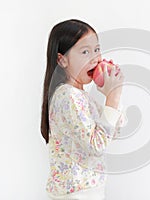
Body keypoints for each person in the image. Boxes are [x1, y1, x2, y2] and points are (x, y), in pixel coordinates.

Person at [40, 19, 126, 200]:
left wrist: (112, 92)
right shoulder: (69, 96)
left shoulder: (81, 96)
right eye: (85, 52)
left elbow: (114, 130)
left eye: (97, 50)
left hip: (85, 192)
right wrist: (113, 97)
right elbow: (97, 145)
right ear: (62, 60)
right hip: (76, 194)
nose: (96, 58)